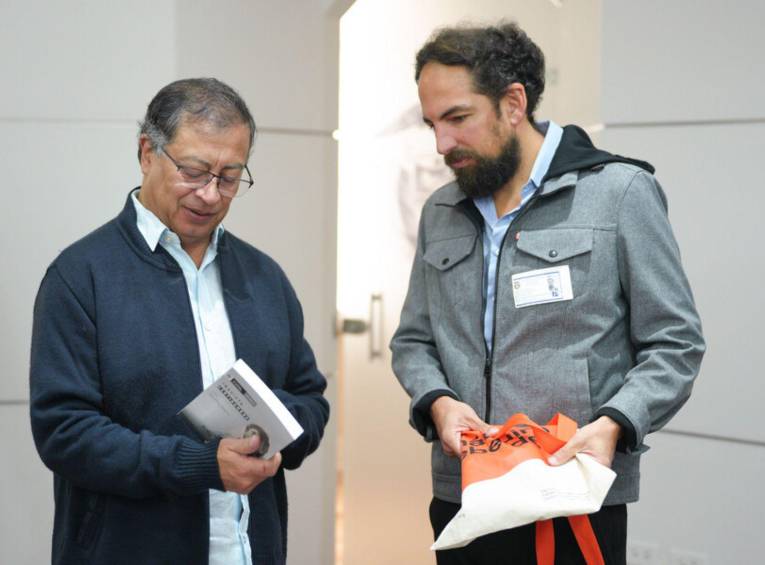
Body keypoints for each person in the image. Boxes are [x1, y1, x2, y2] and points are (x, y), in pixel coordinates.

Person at [390, 23, 705, 564]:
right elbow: (413, 341)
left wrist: (614, 424)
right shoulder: (441, 210)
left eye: (458, 118)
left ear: (513, 102)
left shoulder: (619, 193)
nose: (442, 144)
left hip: (571, 500)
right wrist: (438, 404)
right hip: (464, 496)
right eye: (432, 124)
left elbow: (675, 344)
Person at [30, 78, 329, 565]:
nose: (210, 195)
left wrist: (274, 436)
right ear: (148, 153)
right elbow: (65, 432)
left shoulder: (264, 277)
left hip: (250, 549)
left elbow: (310, 397)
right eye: (194, 171)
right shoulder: (81, 276)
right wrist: (200, 465)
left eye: (230, 177)